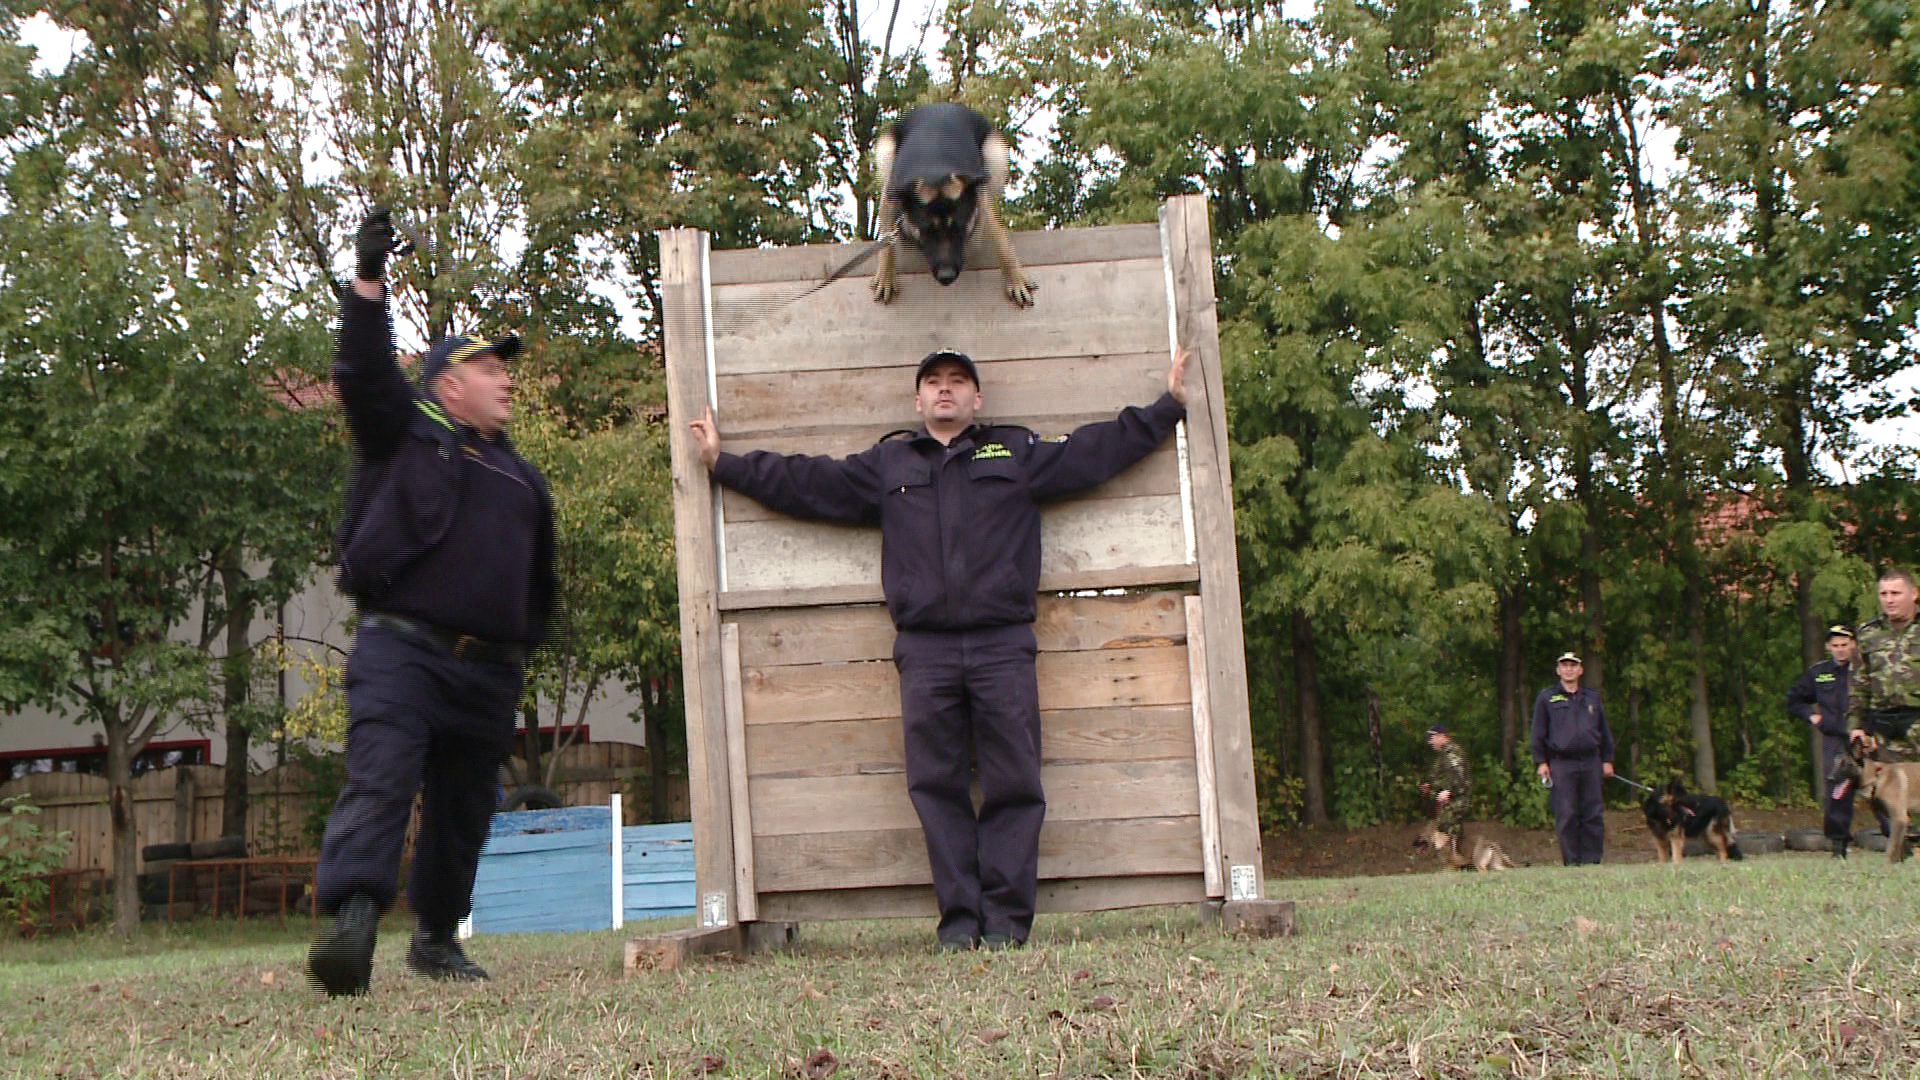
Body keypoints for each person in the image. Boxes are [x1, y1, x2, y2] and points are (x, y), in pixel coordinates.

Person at [689, 347, 1189, 950]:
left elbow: (1095, 451)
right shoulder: (889, 463)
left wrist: (1168, 407)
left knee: (1015, 783)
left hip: (1003, 645)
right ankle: (959, 924)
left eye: (957, 381)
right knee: (935, 786)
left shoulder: (1015, 452)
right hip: (925, 652)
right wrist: (724, 464)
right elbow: (808, 482)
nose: (945, 389)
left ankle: (1005, 925)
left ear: (978, 398)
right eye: (933, 381)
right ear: (917, 399)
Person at [306, 207, 559, 997]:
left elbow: (539, 579)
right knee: (381, 777)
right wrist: (368, 279)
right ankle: (352, 922)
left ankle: (437, 938)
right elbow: (361, 370)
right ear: (450, 385)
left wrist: (522, 644)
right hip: (404, 649)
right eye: (491, 368)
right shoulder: (404, 432)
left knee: (464, 808)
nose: (507, 378)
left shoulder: (522, 478)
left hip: (488, 670)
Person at [1530, 652, 1615, 866]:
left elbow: (1603, 730)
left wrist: (1607, 759)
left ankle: (1591, 861)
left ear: (1580, 670)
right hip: (1561, 763)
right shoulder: (1547, 698)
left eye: (1573, 665)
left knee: (1593, 813)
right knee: (1567, 813)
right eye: (1565, 665)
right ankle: (1572, 862)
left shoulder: (1592, 698)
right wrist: (1541, 761)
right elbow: (1538, 732)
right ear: (1558, 670)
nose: (1569, 669)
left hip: (1591, 762)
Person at [1786, 625, 1861, 856]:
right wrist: (1813, 716)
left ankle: (1899, 839)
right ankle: (1838, 846)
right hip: (1834, 738)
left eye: (1844, 644)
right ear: (1828, 647)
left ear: (1853, 644)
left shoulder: (1865, 669)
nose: (1840, 649)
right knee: (1837, 792)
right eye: (1835, 645)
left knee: (1883, 789)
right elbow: (1794, 699)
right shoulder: (1819, 672)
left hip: (1864, 737)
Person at [1848, 567, 1920, 761]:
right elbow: (1858, 684)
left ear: (1914, 594)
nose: (1889, 600)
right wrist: (1856, 726)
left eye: (1895, 593)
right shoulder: (1868, 633)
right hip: (1884, 727)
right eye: (1884, 594)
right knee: (1888, 781)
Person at [1421, 724, 1471, 868]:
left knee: (1443, 828)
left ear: (1441, 736)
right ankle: (1458, 863)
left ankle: (1454, 864)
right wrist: (1431, 786)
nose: (1430, 742)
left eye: (1432, 738)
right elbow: (1445, 778)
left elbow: (1460, 778)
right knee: (1448, 830)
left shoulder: (1452, 753)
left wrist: (1449, 792)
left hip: (1458, 800)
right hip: (1451, 800)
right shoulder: (1444, 754)